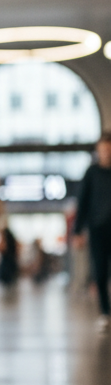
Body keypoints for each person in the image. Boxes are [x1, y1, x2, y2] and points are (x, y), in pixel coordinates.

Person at [73, 132, 111, 330]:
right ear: (98, 151)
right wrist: (77, 231)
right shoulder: (91, 173)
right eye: (103, 149)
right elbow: (83, 202)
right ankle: (105, 313)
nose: (106, 153)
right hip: (97, 231)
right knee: (100, 272)